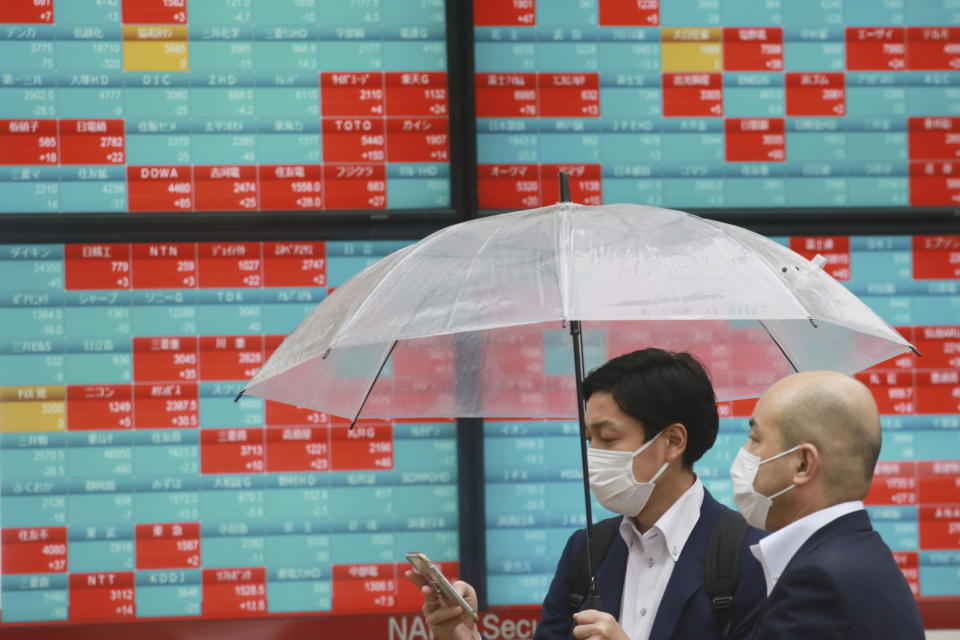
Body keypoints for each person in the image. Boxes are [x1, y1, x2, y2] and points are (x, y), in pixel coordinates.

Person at [406, 348, 766, 640]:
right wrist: (464, 635)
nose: (593, 456)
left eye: (608, 439)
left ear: (673, 441)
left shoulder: (748, 556)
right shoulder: (587, 550)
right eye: (589, 441)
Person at [729, 370, 925, 639]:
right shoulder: (863, 556)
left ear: (802, 464)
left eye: (755, 439)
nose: (744, 453)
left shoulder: (816, 583)